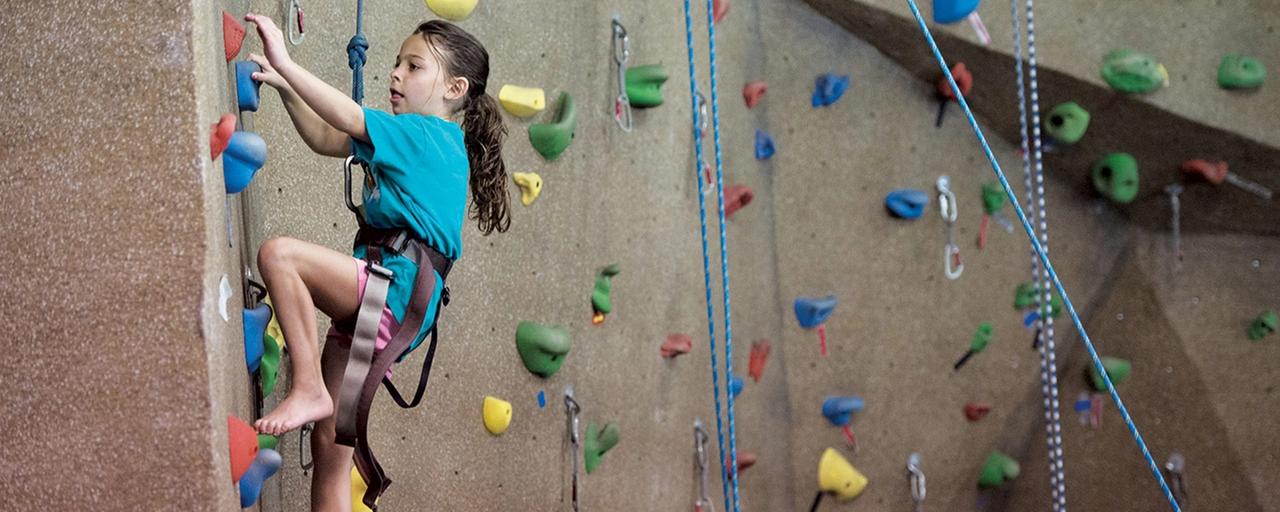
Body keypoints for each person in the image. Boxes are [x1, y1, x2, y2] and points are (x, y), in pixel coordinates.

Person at [243, 13, 509, 509]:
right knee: (331, 453)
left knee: (280, 256)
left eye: (413, 67)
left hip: (392, 291)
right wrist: (285, 87)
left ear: (455, 88)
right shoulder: (418, 141)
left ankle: (307, 385)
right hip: (390, 307)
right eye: (396, 64)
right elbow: (326, 139)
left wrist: (286, 59)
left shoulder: (426, 135)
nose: (395, 74)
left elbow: (345, 116)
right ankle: (313, 395)